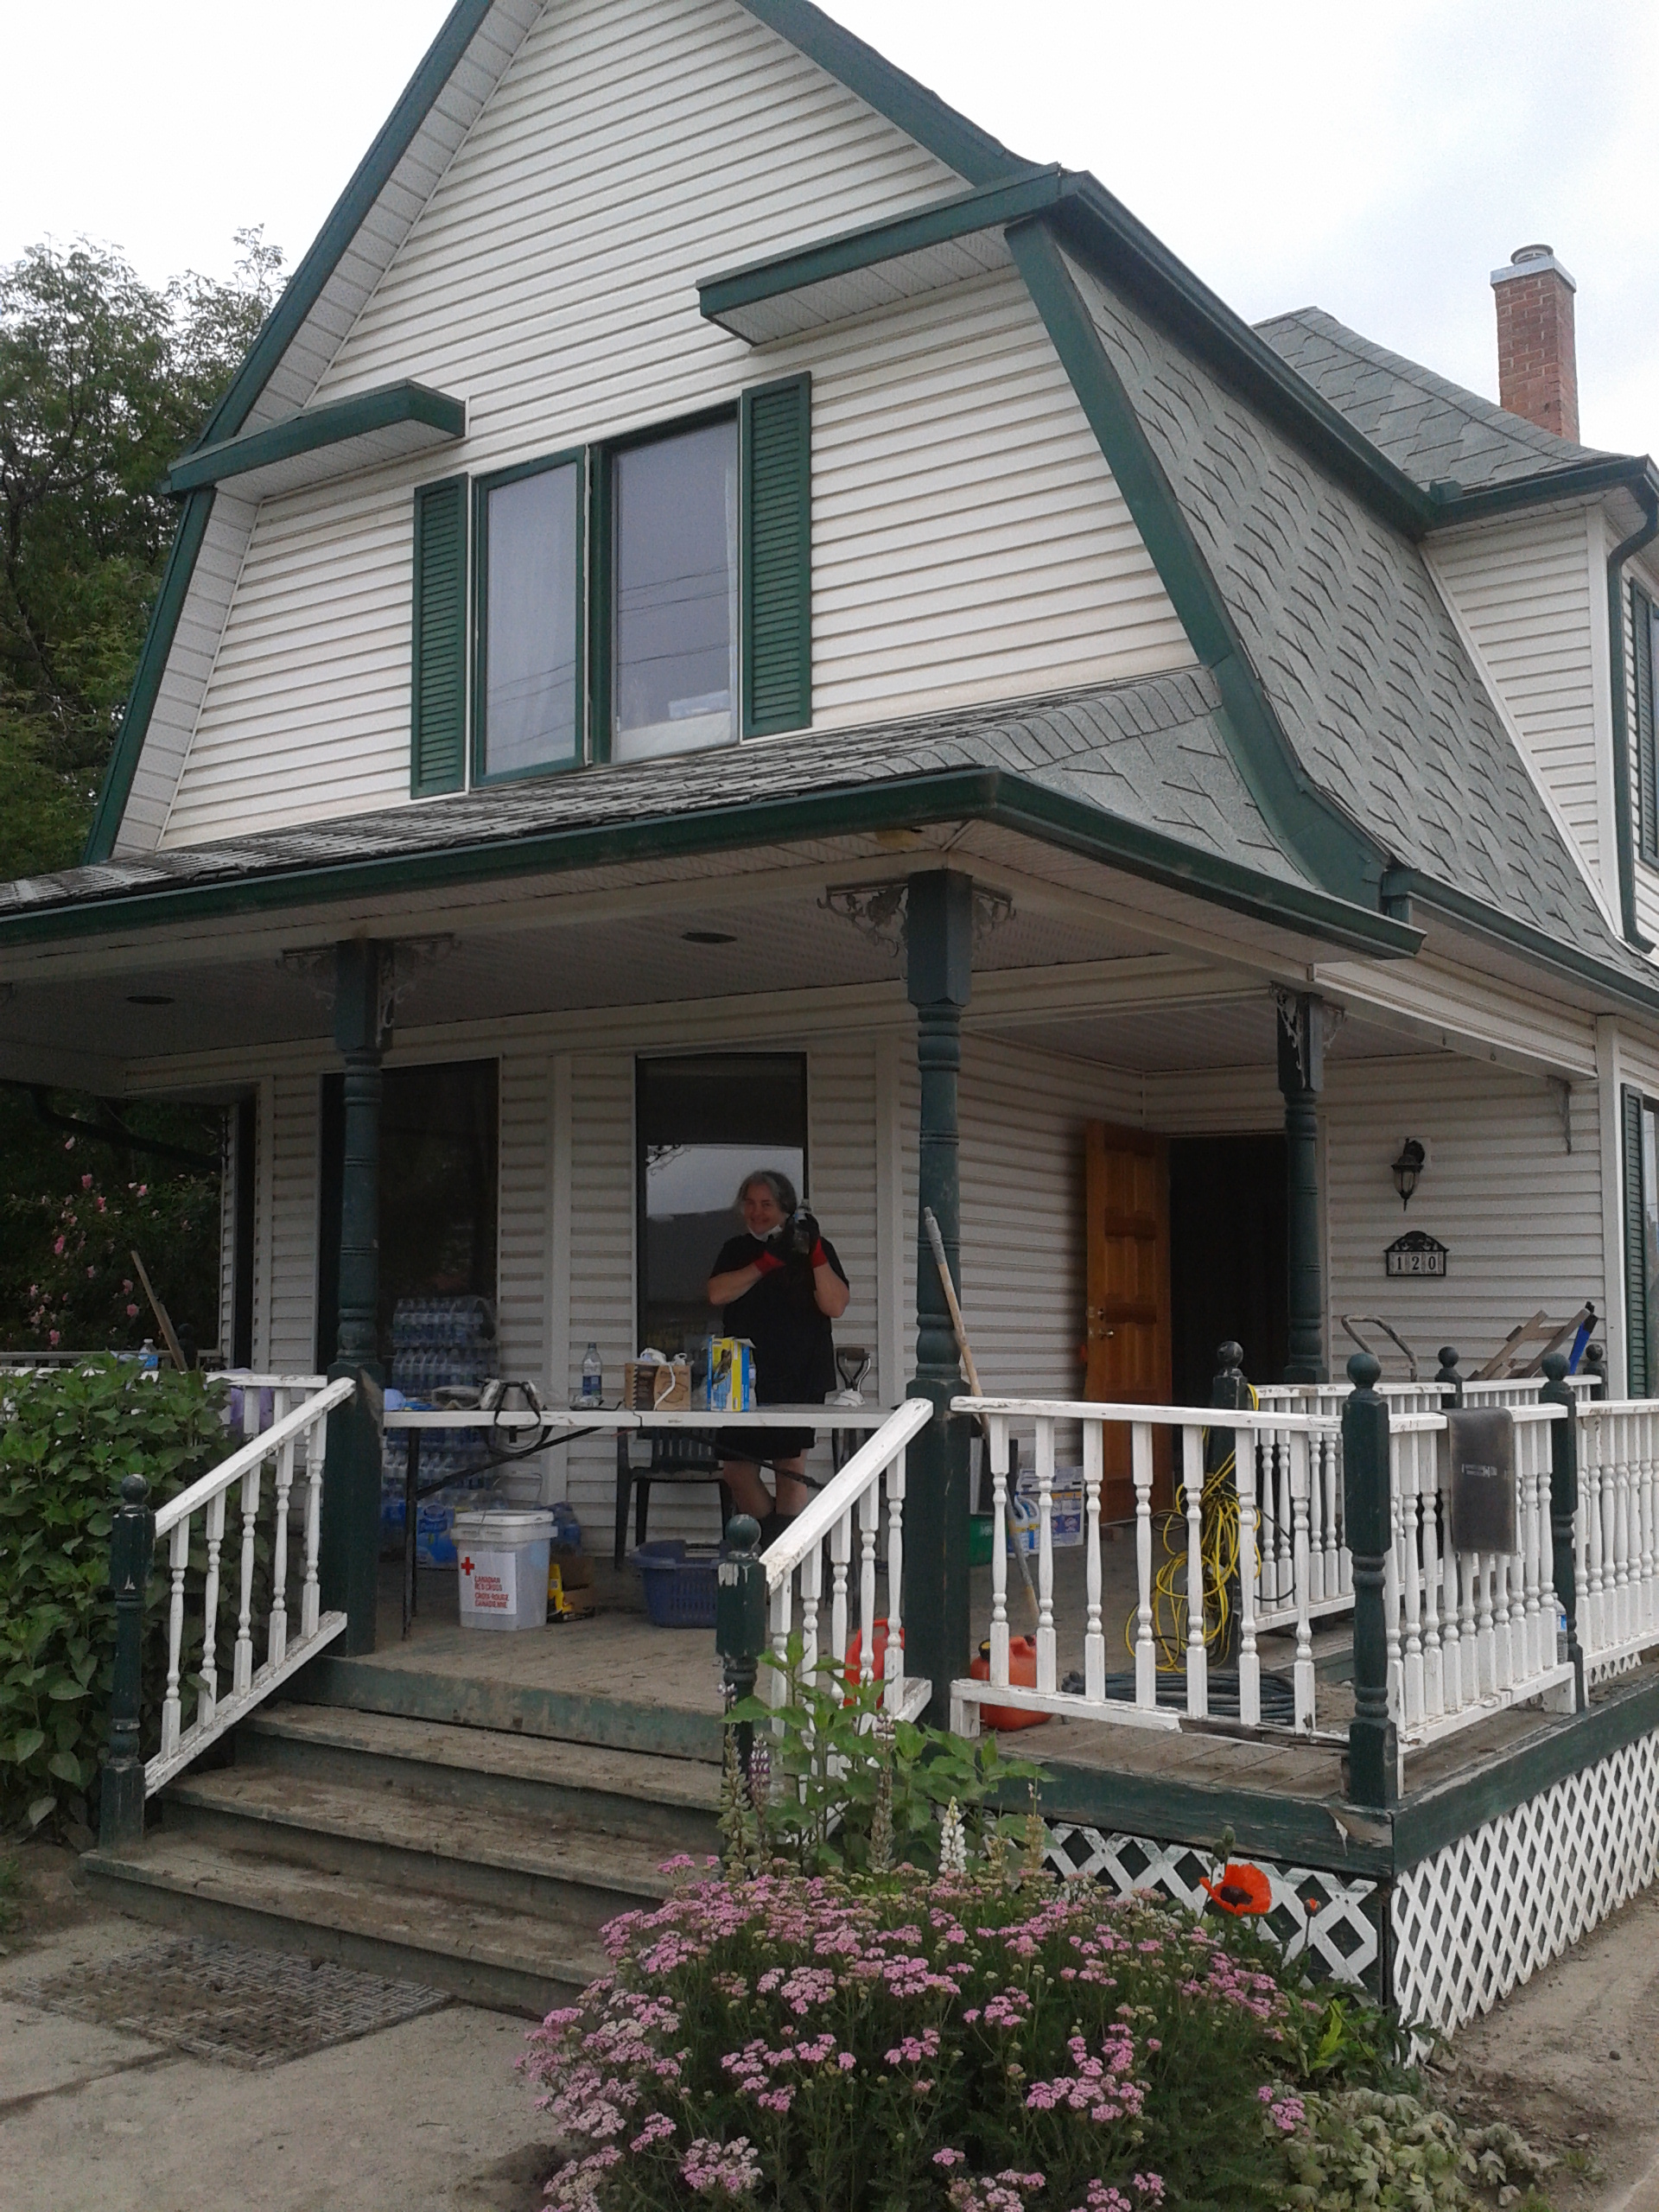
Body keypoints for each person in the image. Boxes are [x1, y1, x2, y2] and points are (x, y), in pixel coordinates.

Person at [706, 1168, 849, 1541]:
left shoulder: (814, 1248)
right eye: (750, 1203)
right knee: (736, 1470)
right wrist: (765, 1264)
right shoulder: (736, 1249)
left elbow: (835, 1305)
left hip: (799, 1371)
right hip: (740, 1374)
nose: (756, 1212)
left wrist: (814, 1253)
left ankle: (778, 1554)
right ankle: (779, 1544)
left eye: (766, 1204)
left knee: (789, 1468)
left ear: (785, 1208)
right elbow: (717, 1294)